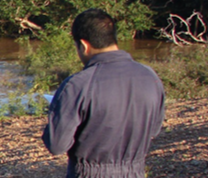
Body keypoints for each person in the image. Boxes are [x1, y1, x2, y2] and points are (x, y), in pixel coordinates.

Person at [42, 9, 165, 178]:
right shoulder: (150, 76)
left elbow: (57, 145)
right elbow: (154, 129)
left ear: (84, 45)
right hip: (135, 171)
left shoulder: (78, 84)